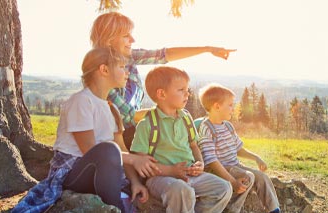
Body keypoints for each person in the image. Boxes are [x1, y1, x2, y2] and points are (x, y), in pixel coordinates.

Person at [13, 48, 156, 213]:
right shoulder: (81, 101)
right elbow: (89, 149)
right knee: (108, 150)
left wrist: (135, 181)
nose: (127, 73)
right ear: (104, 69)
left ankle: (123, 197)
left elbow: (122, 149)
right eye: (122, 67)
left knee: (133, 160)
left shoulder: (113, 109)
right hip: (73, 174)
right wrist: (132, 159)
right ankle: (116, 208)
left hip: (104, 171)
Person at [90, 12, 236, 148]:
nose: (132, 40)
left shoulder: (129, 57)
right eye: (126, 36)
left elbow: (164, 55)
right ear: (109, 41)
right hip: (112, 141)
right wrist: (171, 109)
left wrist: (208, 49)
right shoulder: (101, 73)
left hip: (133, 133)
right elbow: (128, 117)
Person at [130, 66, 231, 213]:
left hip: (190, 175)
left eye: (187, 89)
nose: (187, 93)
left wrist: (200, 163)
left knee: (223, 188)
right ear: (162, 94)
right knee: (182, 190)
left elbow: (194, 145)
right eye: (181, 90)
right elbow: (142, 163)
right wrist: (170, 170)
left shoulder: (186, 118)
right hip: (160, 179)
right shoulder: (147, 124)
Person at [196, 83, 281, 213]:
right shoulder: (206, 128)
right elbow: (211, 161)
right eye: (230, 105)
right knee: (248, 177)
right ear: (217, 106)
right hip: (219, 169)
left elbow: (238, 149)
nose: (233, 108)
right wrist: (233, 182)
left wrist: (256, 158)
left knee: (262, 177)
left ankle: (274, 209)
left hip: (235, 166)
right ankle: (232, 210)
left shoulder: (228, 126)